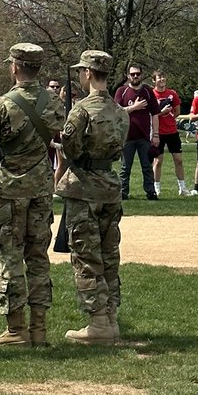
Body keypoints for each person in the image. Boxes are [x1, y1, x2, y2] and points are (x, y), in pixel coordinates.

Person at [0, 43, 63, 347]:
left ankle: (15, 328)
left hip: (10, 189)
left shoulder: (2, 104)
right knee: (38, 256)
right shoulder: (54, 103)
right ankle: (39, 328)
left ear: (15, 67)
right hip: (42, 188)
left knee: (9, 255)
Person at [56, 50, 129, 343]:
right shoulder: (120, 111)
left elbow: (71, 148)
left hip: (84, 186)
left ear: (87, 73)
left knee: (86, 256)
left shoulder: (81, 110)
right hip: (110, 186)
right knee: (109, 255)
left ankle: (97, 323)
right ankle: (110, 318)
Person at [114, 61, 160, 199]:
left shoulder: (147, 91)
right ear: (128, 75)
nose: (135, 76)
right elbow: (116, 111)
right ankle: (123, 192)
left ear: (142, 75)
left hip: (144, 136)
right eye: (132, 74)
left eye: (138, 74)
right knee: (125, 168)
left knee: (147, 166)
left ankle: (150, 192)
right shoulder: (122, 91)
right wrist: (133, 107)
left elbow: (155, 114)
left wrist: (156, 135)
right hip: (126, 136)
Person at [151, 70, 189, 196]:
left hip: (172, 131)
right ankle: (156, 188)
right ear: (154, 80)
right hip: (158, 132)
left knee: (178, 160)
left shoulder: (172, 94)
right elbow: (151, 114)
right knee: (158, 161)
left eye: (163, 77)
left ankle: (182, 188)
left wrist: (169, 114)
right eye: (159, 77)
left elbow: (177, 111)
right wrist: (162, 112)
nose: (162, 79)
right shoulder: (151, 94)